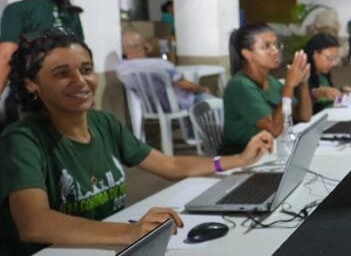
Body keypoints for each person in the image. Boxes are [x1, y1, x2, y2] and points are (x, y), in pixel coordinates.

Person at [0, 30, 273, 255]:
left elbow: (170, 165)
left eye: (86, 69)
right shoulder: (22, 140)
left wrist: (238, 160)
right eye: (61, 73)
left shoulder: (103, 123)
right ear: (30, 84)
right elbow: (34, 224)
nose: (80, 81)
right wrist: (130, 232)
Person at [0, 0, 84, 125]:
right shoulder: (69, 11)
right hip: (69, 95)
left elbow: (6, 56)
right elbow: (82, 55)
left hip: (31, 98)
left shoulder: (17, 10)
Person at [219, 23, 312, 155]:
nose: (275, 51)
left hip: (267, 152)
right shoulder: (240, 86)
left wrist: (303, 82)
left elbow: (304, 116)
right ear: (247, 54)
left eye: (275, 45)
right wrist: (289, 85)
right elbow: (274, 130)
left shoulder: (270, 81)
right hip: (240, 156)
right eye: (266, 46)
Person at [116, 30, 216, 138]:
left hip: (150, 107)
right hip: (174, 105)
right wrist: (202, 88)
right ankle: (204, 138)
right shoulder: (161, 65)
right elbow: (183, 84)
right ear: (145, 46)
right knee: (208, 100)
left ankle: (192, 134)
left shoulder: (121, 69)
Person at [303, 32, 351, 114]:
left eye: (335, 59)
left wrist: (341, 91)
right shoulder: (300, 73)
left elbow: (326, 94)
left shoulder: (322, 73)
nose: (333, 64)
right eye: (330, 58)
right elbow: (300, 109)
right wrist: (316, 94)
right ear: (314, 54)